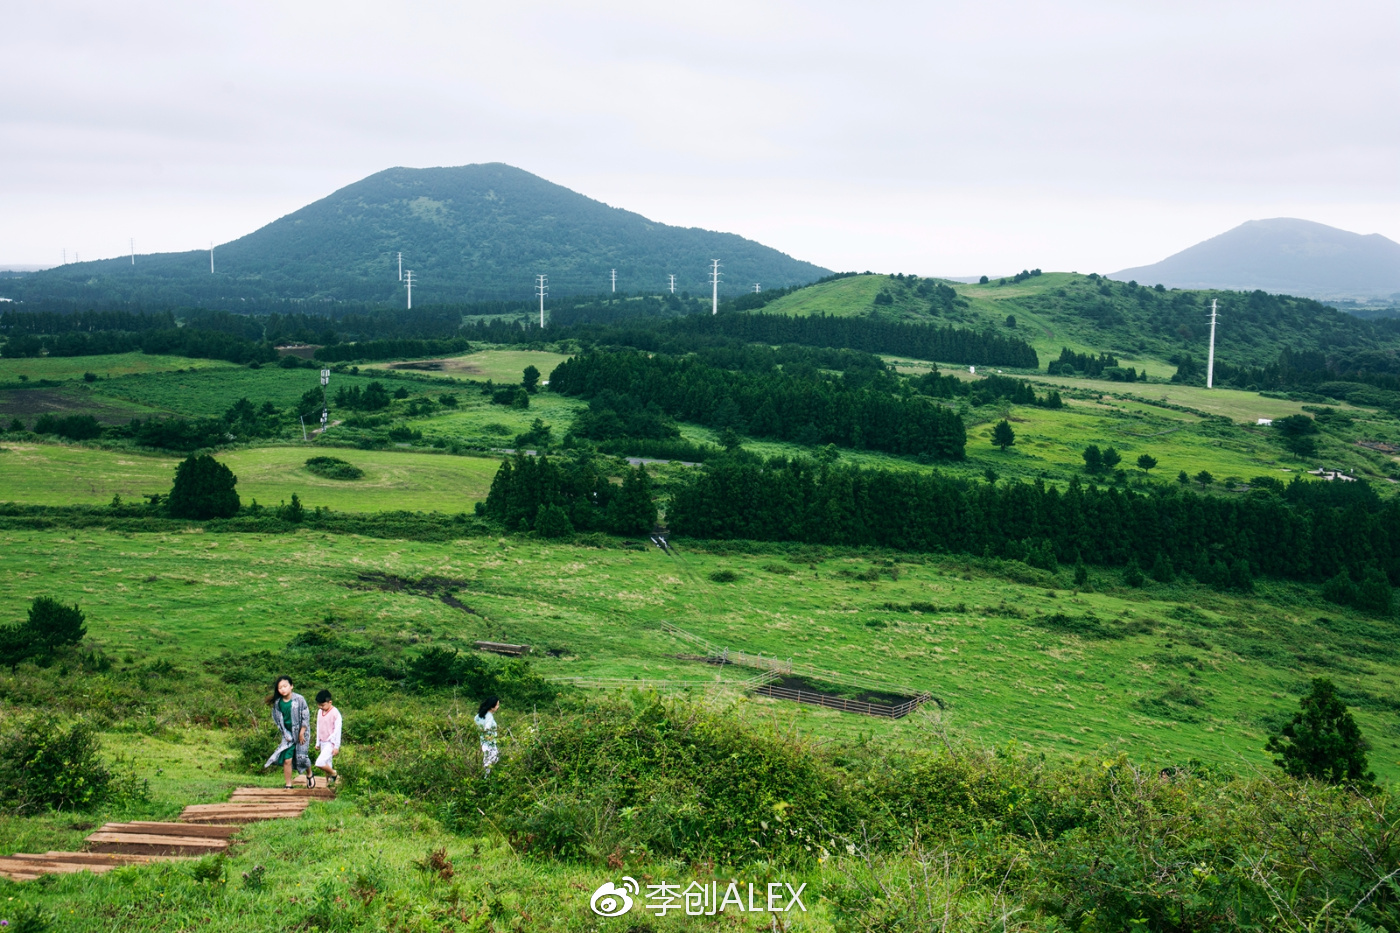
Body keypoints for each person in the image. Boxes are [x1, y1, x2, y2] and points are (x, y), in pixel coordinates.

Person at [262, 676, 313, 789]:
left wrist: (301, 732)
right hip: (288, 735)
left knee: (302, 757)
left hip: (302, 733)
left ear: (291, 686)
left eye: (285, 686)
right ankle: (288, 784)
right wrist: (285, 733)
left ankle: (309, 774)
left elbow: (306, 716)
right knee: (287, 759)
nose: (283, 689)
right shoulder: (278, 703)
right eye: (280, 688)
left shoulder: (299, 699)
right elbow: (278, 720)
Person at [314, 689, 342, 787]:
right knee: (327, 764)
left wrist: (336, 747)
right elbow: (318, 727)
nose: (320, 707)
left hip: (331, 742)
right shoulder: (319, 712)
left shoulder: (335, 713)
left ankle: (334, 773)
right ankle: (329, 785)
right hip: (322, 741)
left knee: (320, 762)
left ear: (330, 702)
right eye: (319, 705)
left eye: (322, 705)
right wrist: (317, 742)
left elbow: (338, 731)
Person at [475, 696, 500, 773]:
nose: (498, 707)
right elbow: (487, 728)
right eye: (497, 705)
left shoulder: (481, 714)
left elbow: (476, 720)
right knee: (492, 760)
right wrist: (489, 736)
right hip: (490, 742)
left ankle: (487, 777)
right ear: (492, 707)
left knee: (488, 759)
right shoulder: (489, 716)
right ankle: (487, 778)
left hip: (483, 741)